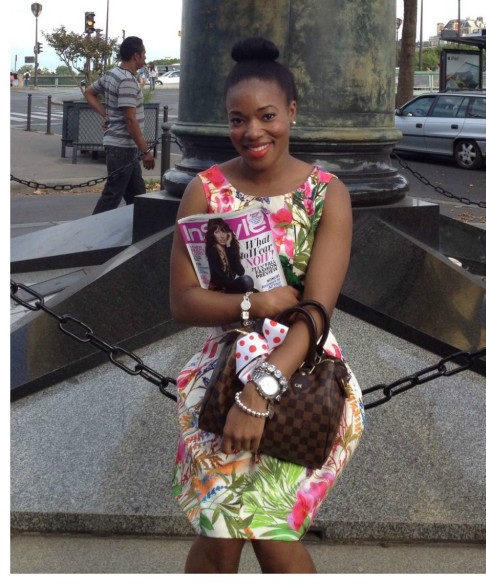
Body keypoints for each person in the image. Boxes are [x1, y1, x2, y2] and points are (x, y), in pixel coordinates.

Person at [169, 37, 363, 573]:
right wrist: (255, 304)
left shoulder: (327, 193)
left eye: (267, 115)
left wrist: (261, 393)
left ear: (292, 113)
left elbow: (319, 309)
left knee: (274, 538)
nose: (253, 131)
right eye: (238, 119)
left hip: (304, 377)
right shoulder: (205, 191)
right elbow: (183, 302)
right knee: (219, 538)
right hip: (219, 379)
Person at [85, 36, 156, 213]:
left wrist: (106, 114)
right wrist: (145, 150)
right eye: (144, 54)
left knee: (137, 194)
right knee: (113, 195)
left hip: (122, 146)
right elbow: (130, 120)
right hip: (122, 146)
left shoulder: (112, 74)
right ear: (136, 56)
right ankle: (93, 231)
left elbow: (89, 93)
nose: (145, 57)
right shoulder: (127, 81)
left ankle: (140, 231)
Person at [204, 218, 254, 294]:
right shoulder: (212, 250)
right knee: (246, 281)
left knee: (249, 283)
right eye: (217, 232)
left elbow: (240, 272)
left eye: (223, 231)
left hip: (231, 286)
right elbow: (220, 278)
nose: (222, 236)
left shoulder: (230, 247)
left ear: (228, 233)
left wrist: (229, 246)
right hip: (220, 289)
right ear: (212, 234)